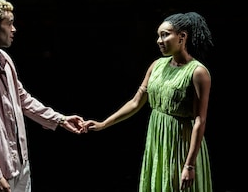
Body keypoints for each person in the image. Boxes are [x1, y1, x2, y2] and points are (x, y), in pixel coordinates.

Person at [0, 0, 87, 192]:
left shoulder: (4, 59)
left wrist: (60, 119)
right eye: (10, 23)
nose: (14, 29)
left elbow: (22, 99)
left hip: (19, 164)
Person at [83, 12, 214, 192]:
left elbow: (200, 120)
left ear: (182, 37)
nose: (159, 40)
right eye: (159, 35)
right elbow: (136, 102)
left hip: (181, 142)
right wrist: (103, 124)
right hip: (158, 138)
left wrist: (189, 165)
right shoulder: (157, 65)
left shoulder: (198, 72)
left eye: (165, 34)